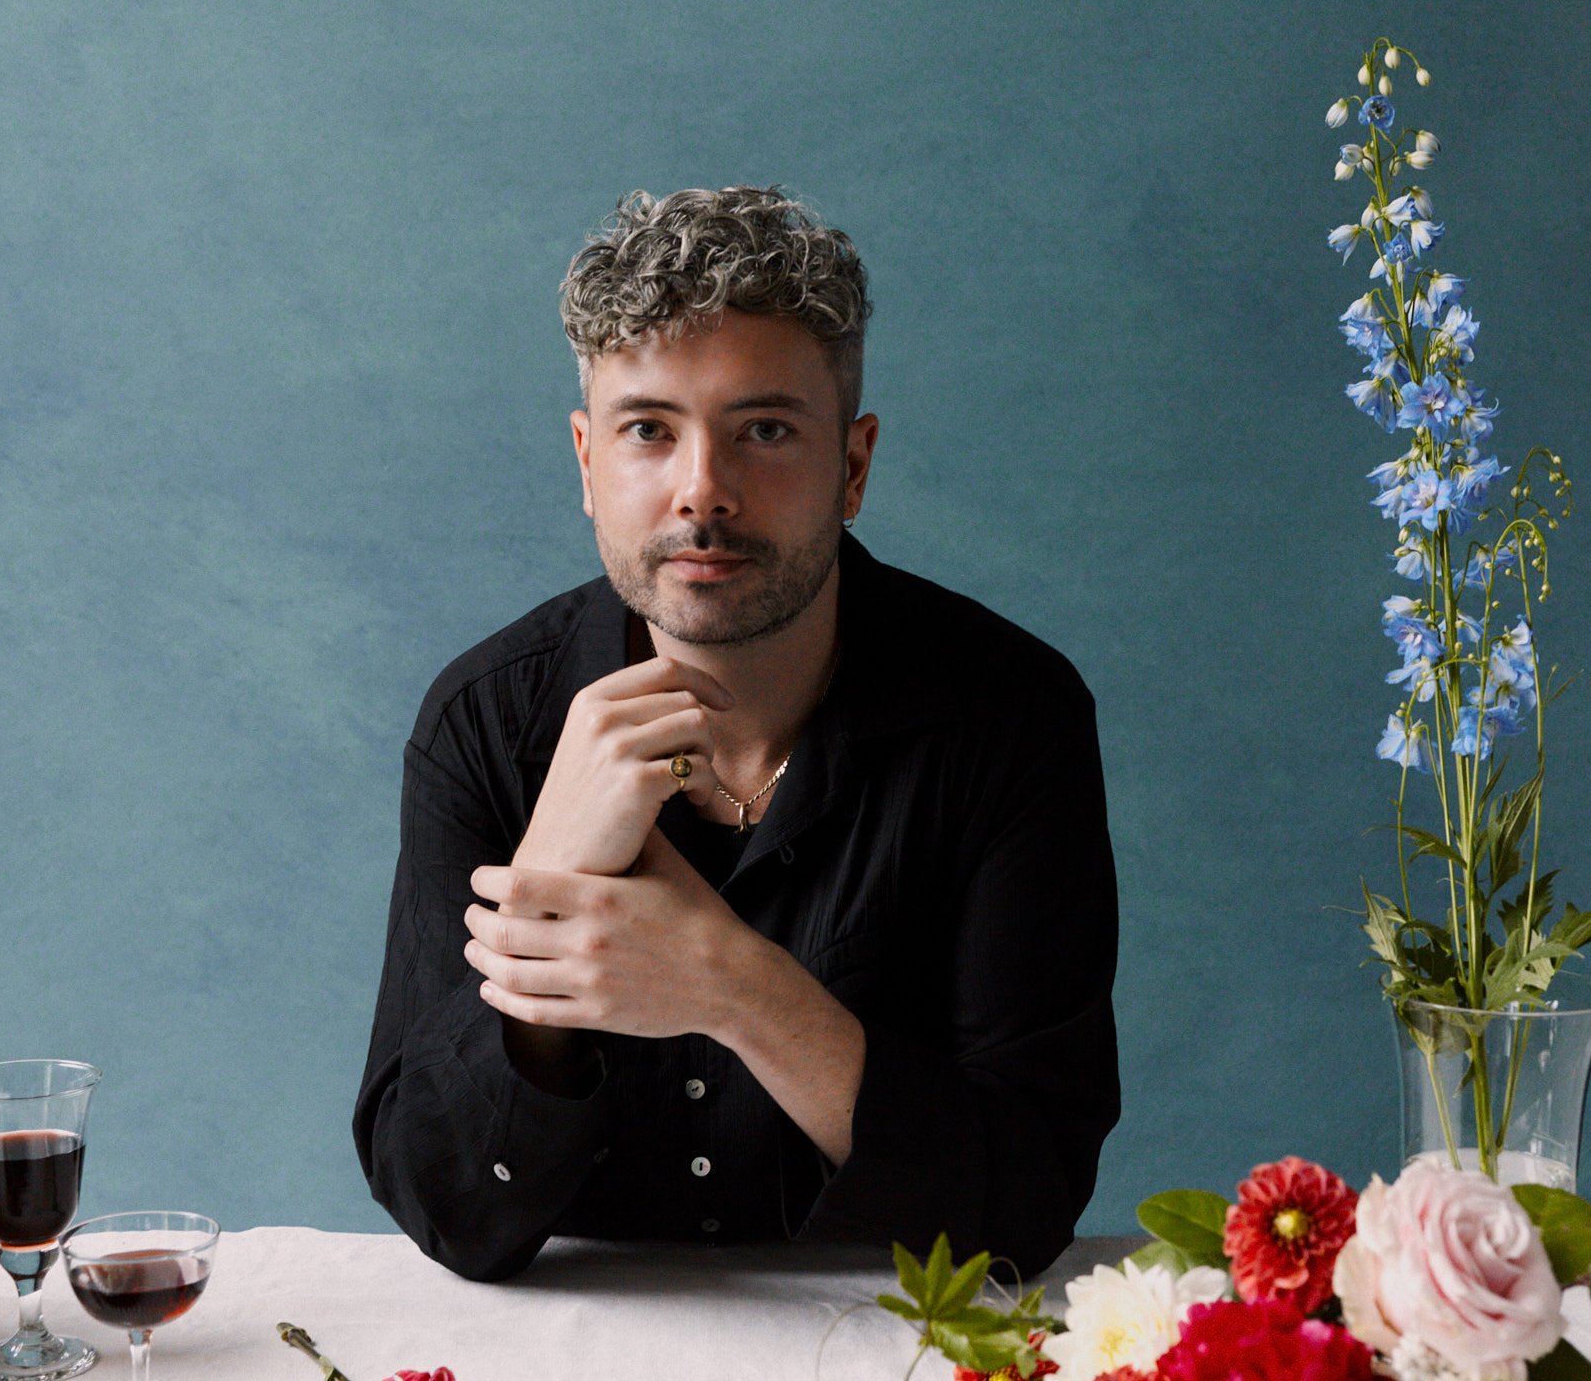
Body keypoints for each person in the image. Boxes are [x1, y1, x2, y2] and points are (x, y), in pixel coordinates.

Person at [353, 185, 1119, 1283]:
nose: (701, 491)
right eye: (648, 431)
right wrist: (549, 878)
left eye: (763, 430)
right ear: (586, 462)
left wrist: (736, 986)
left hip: (888, 1341)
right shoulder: (481, 723)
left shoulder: (1010, 717)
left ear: (852, 466)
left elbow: (1024, 1202)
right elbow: (443, 1207)